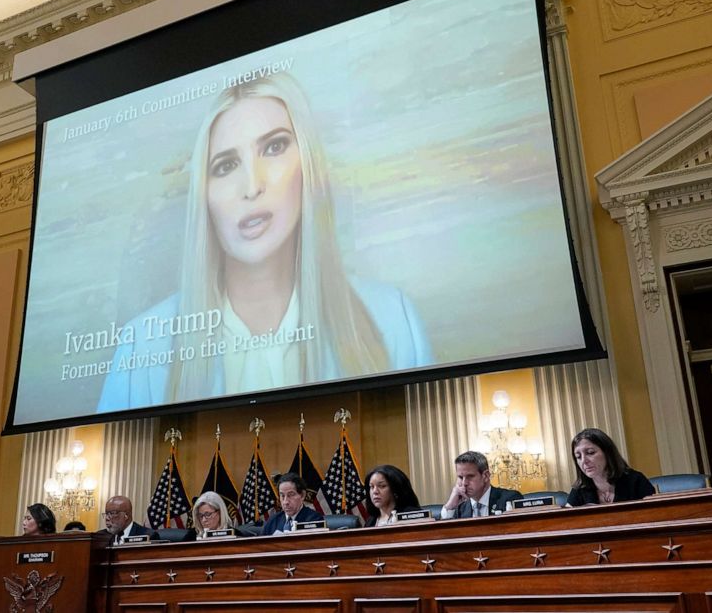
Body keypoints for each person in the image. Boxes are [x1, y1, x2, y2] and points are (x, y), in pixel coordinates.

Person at [98, 72, 432, 411]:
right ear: (205, 197)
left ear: (308, 165)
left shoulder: (393, 319)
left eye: (274, 147)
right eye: (226, 166)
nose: (252, 186)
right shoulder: (141, 345)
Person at [566, 428, 655, 506]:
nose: (584, 461)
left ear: (607, 453)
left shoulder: (635, 481)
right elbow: (565, 520)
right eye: (578, 456)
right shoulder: (580, 489)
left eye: (590, 452)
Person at [440, 451, 521, 519]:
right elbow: (445, 535)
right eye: (461, 477)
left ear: (485, 476)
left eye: (470, 476)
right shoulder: (460, 509)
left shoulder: (510, 499)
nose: (464, 483)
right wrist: (449, 507)